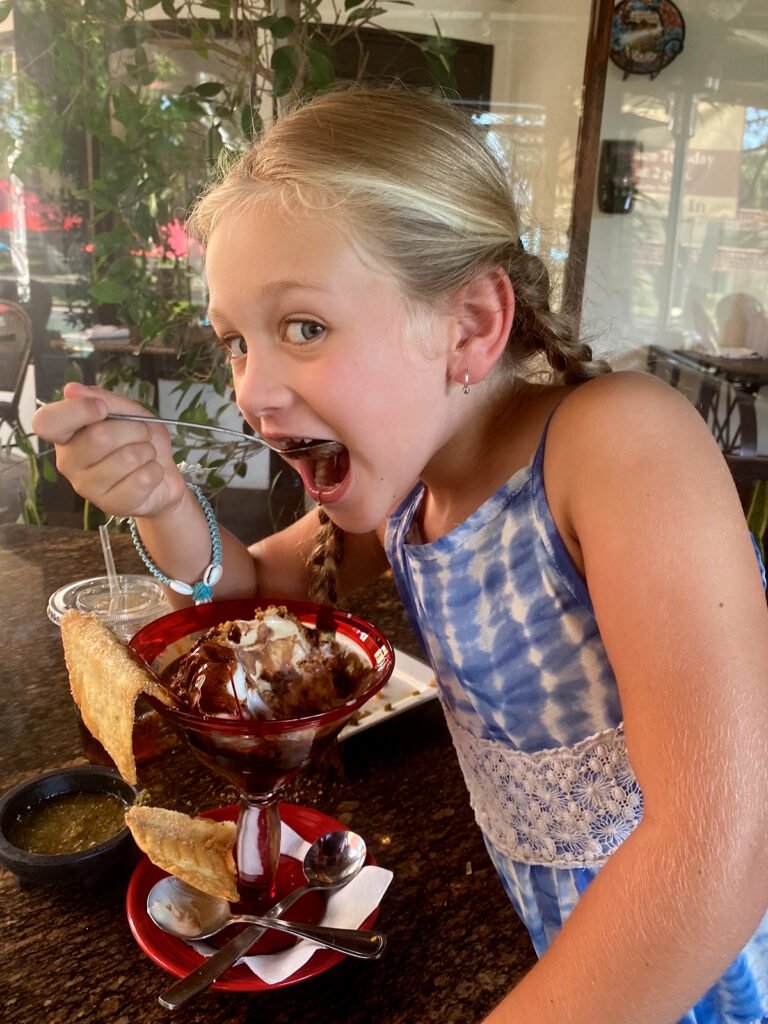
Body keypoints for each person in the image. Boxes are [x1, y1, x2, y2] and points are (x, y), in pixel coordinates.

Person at [32, 87, 768, 1024]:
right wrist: (163, 500)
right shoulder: (412, 487)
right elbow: (249, 588)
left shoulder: (619, 447)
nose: (254, 391)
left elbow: (723, 856)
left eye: (304, 327)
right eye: (235, 342)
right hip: (560, 944)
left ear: (467, 325)